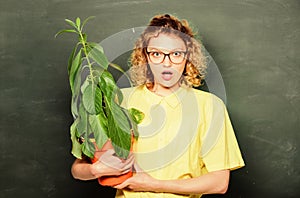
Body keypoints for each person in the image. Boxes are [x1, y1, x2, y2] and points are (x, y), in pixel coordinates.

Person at [71, 14, 245, 198]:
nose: (166, 62)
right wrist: (97, 170)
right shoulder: (119, 100)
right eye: (156, 54)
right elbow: (78, 169)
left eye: (176, 54)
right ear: (145, 55)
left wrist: (153, 185)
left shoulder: (210, 106)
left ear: (188, 57)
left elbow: (219, 183)